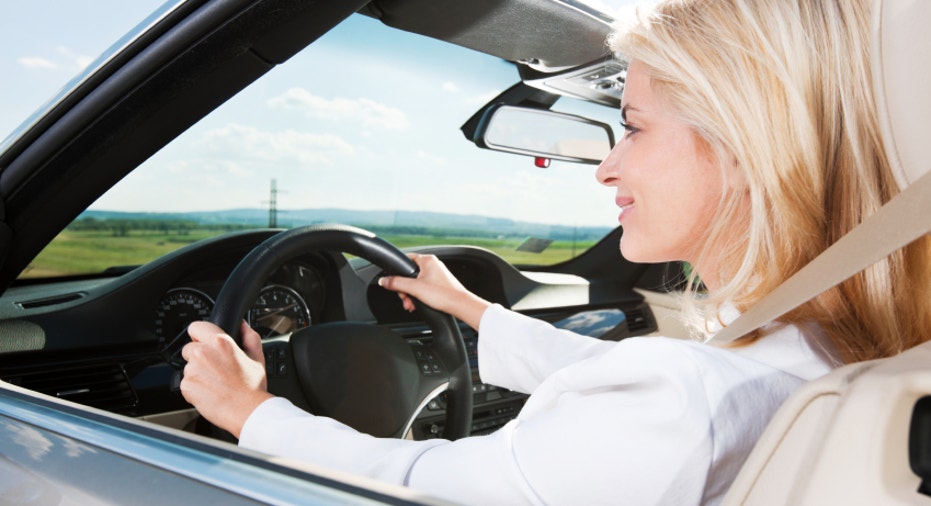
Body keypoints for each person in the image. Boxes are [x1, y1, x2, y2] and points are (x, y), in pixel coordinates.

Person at [179, 0, 931, 504]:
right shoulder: (820, 346)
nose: (605, 165)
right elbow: (636, 386)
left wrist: (252, 411)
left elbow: (421, 483)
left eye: (632, 127)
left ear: (741, 148)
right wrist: (472, 309)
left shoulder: (679, 393)